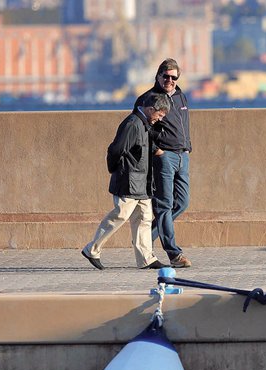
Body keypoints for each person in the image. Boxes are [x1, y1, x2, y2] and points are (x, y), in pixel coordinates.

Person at [82, 93, 171, 270]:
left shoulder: (144, 123)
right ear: (150, 109)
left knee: (144, 219)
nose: (159, 119)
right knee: (120, 215)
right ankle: (92, 249)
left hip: (142, 182)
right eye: (159, 115)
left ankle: (146, 258)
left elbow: (143, 146)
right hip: (129, 180)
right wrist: (116, 170)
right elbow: (116, 150)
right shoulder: (132, 124)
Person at [135, 58, 192, 268]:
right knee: (164, 205)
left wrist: (188, 146)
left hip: (182, 156)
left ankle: (146, 239)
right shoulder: (148, 99)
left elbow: (185, 123)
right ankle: (174, 254)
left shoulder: (180, 96)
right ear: (158, 76)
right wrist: (155, 150)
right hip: (163, 157)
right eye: (165, 76)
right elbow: (138, 129)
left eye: (173, 77)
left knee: (182, 202)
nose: (169, 80)